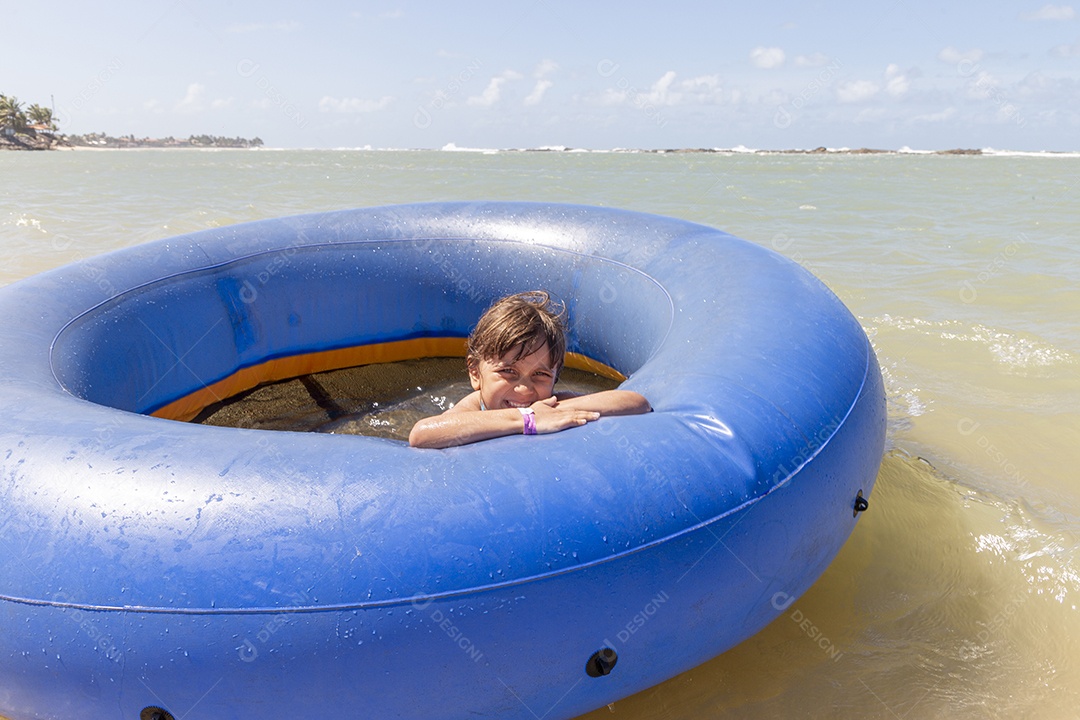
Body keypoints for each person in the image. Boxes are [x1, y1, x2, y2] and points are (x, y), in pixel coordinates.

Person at [409, 291, 651, 448]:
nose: (524, 389)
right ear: (475, 373)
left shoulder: (550, 404)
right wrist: (527, 419)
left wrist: (552, 410)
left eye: (540, 374)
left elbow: (635, 402)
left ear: (556, 377)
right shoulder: (469, 410)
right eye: (508, 372)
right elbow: (421, 435)